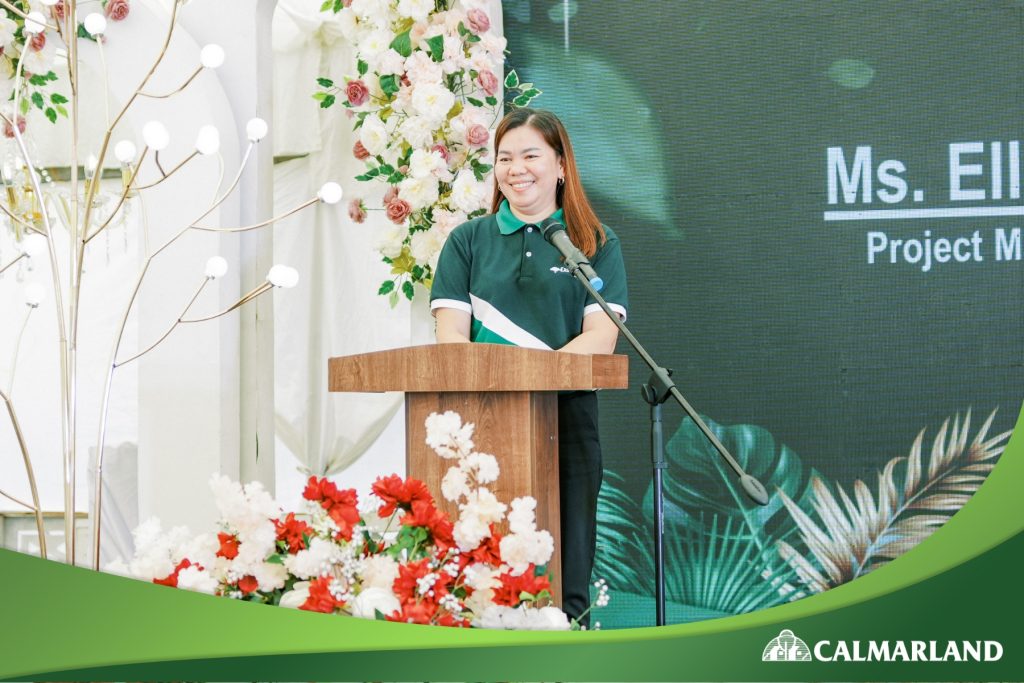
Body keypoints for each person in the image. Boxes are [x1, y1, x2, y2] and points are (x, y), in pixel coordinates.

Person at [429, 107, 628, 626]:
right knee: (478, 570)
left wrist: (535, 383)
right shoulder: (467, 241)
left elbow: (601, 339)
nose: (516, 168)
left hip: (567, 424)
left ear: (561, 165)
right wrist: (504, 386)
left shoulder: (595, 242)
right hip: (479, 426)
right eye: (504, 158)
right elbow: (450, 336)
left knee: (566, 572)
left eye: (531, 156)